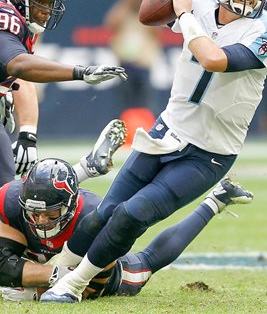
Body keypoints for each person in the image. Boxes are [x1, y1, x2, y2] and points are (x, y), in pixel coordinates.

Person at [40, 0, 267, 303]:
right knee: (105, 214)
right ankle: (55, 271)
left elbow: (215, 59)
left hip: (209, 151)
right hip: (167, 130)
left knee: (134, 213)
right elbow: (149, 16)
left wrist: (185, 14)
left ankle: (73, 284)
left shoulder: (261, 28)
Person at [0, 118, 252, 301]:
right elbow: (3, 265)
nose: (41, 221)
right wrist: (49, 272)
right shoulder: (10, 200)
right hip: (50, 258)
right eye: (34, 213)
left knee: (146, 262)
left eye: (51, 214)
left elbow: (91, 287)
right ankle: (86, 168)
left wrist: (36, 287)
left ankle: (216, 200)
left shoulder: (87, 214)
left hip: (108, 273)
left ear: (68, 207)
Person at [0, 0, 127, 186]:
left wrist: (28, 133)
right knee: (5, 199)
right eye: (42, 2)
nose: (47, 10)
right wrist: (81, 72)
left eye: (51, 3)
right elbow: (18, 64)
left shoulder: (19, 21)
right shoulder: (5, 18)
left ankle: (84, 169)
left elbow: (18, 75)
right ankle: (84, 170)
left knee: (5, 196)